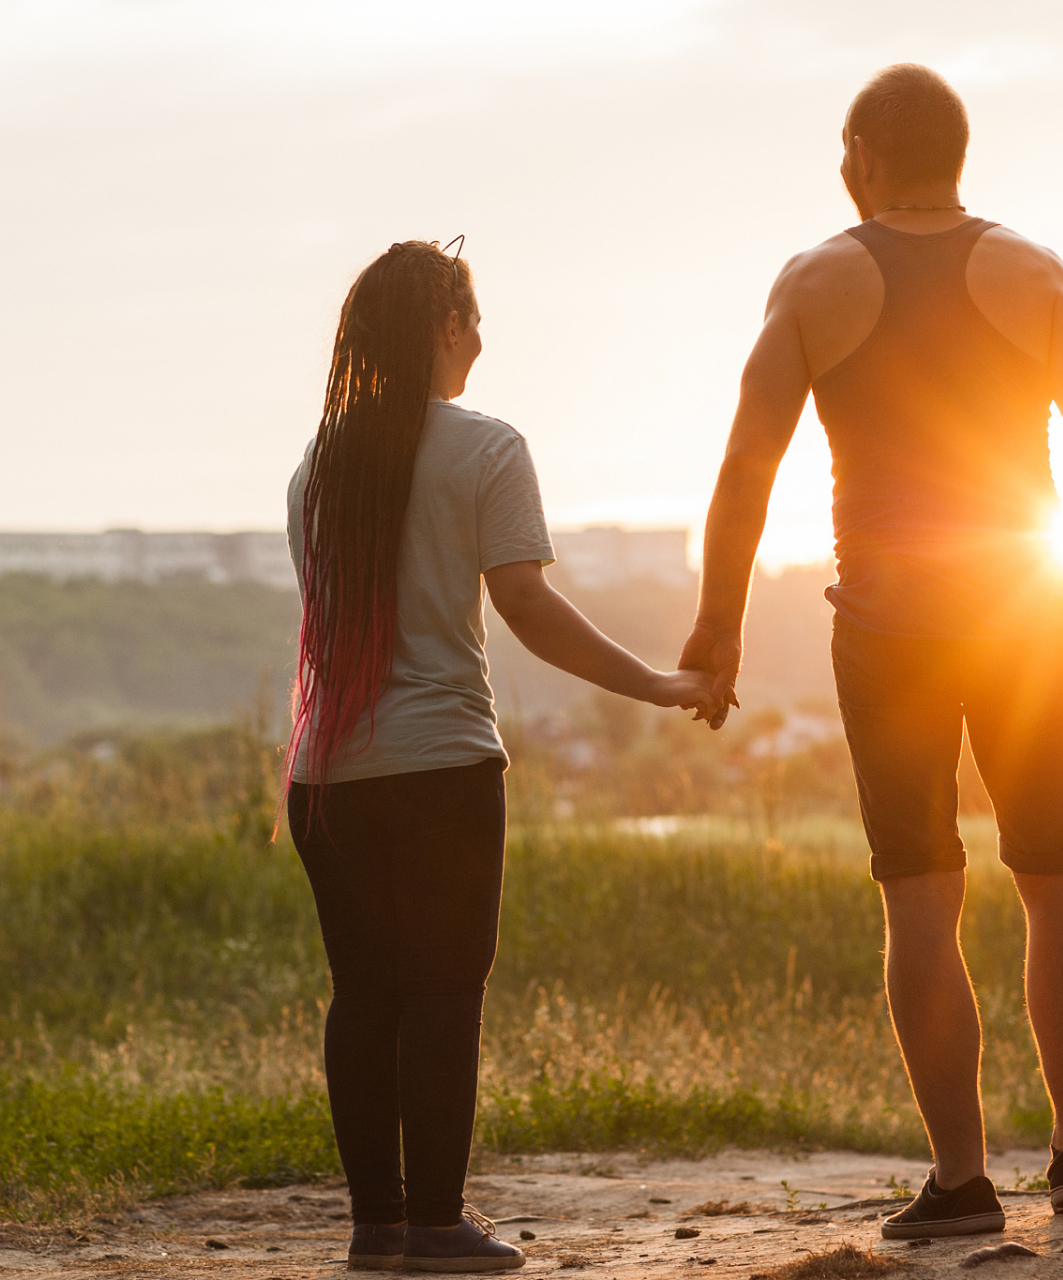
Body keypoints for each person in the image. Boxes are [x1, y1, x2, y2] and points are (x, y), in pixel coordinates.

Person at [677, 65, 1063, 1239]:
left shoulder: (814, 280)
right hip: (1025, 617)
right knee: (1057, 879)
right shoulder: (1031, 270)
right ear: (957, 156)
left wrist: (719, 623)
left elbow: (746, 466)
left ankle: (963, 1181)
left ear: (861, 153)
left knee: (922, 898)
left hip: (888, 630)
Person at [286, 239, 714, 1273]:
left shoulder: (320, 459)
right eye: (472, 322)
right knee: (442, 991)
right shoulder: (484, 445)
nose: (480, 343)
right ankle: (437, 1225)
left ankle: (375, 1228)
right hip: (439, 768)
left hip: (325, 776)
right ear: (446, 325)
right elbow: (524, 603)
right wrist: (656, 682)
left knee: (365, 993)